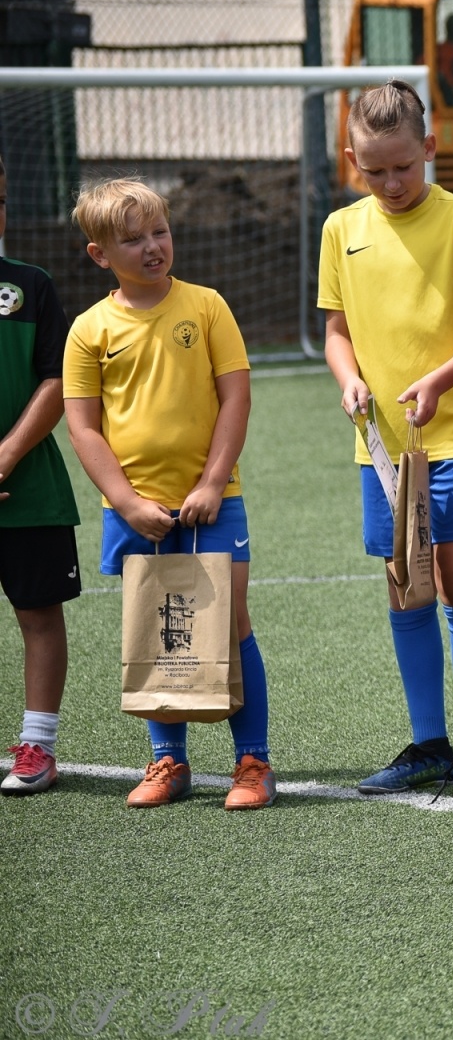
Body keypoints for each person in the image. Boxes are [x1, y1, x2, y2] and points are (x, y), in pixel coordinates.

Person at [319, 80, 453, 803]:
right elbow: (337, 332)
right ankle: (429, 745)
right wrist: (348, 381)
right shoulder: (341, 229)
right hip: (382, 446)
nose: (392, 182)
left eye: (403, 166)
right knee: (404, 587)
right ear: (352, 162)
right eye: (375, 171)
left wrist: (437, 380)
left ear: (428, 148)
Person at [62, 179, 274, 810]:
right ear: (100, 254)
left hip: (214, 503)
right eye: (133, 239)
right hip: (135, 512)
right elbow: (83, 427)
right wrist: (127, 503)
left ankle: (253, 762)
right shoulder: (88, 330)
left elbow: (235, 397)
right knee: (157, 625)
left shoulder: (207, 306)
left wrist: (211, 482)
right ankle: (167, 761)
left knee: (230, 622)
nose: (153, 247)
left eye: (160, 231)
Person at [0, 153, 81, 797]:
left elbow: (58, 381)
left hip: (29, 492)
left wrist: (5, 455)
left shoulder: (31, 285)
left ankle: (38, 746)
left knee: (39, 615)